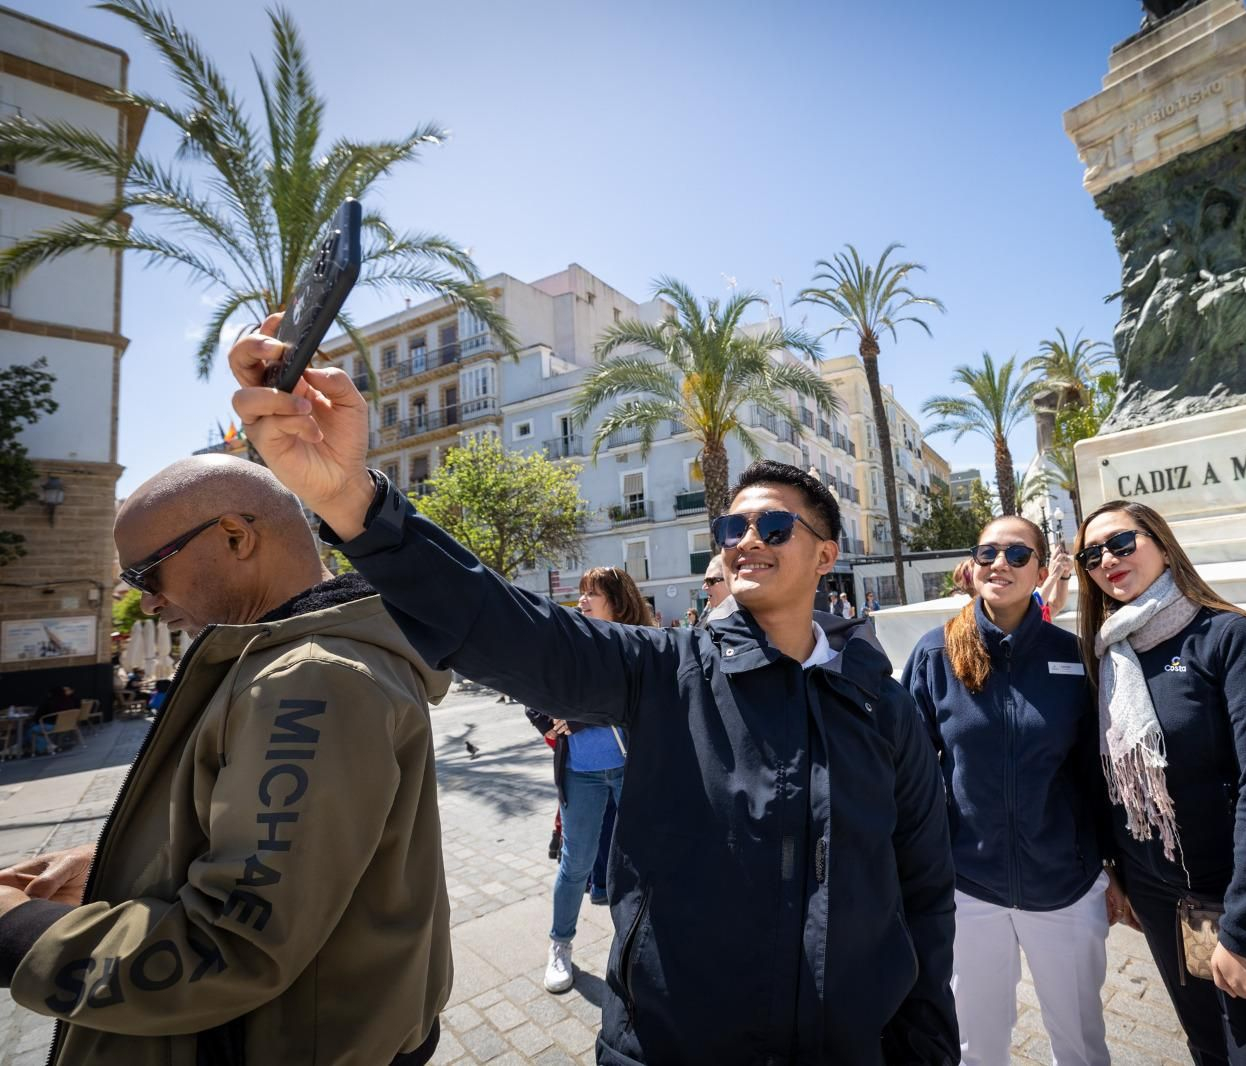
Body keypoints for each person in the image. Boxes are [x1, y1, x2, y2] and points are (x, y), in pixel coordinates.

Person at [228, 322, 959, 1066]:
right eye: (729, 525)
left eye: (773, 524)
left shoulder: (884, 708)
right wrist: (353, 500)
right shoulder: (664, 670)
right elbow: (509, 630)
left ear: (827, 555)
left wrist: (929, 1045)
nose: (746, 539)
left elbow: (925, 889)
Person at [0, 454, 452, 1066]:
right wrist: (118, 864)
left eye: (147, 573)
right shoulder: (288, 661)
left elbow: (234, 947)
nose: (147, 601)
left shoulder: (308, 680)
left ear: (236, 537)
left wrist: (19, 931)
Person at [1072, 499, 1246, 1066]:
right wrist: (1115, 869)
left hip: (1235, 892)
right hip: (1155, 892)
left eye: (1121, 543)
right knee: (1207, 1047)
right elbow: (1103, 778)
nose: (1107, 560)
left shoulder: (1230, 636)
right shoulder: (1108, 652)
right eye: (1091, 555)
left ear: (1162, 544)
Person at [903, 515, 1110, 1066]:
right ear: (972, 566)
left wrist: (1113, 866)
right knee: (975, 1046)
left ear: (1042, 572)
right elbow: (910, 775)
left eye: (1018, 555)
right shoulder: (935, 653)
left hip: (1066, 887)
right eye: (988, 553)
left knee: (1082, 1046)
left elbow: (1098, 773)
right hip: (968, 888)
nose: (1000, 564)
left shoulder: (1075, 655)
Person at [527, 565, 649, 993]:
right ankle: (559, 944)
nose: (582, 600)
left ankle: (642, 947)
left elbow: (632, 701)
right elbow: (532, 696)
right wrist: (550, 722)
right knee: (575, 864)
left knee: (643, 861)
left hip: (633, 768)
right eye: (582, 592)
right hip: (581, 774)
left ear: (616, 600)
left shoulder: (638, 643)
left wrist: (578, 718)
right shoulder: (568, 645)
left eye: (591, 593)